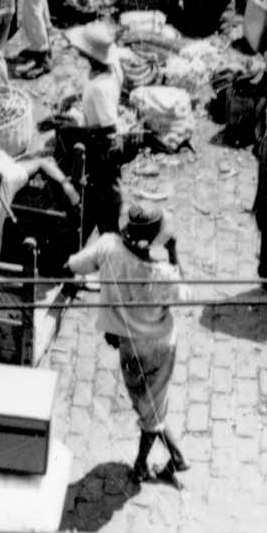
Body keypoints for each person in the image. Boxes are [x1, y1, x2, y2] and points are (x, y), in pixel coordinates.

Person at [66, 202, 190, 483]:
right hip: (160, 346)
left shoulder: (108, 246)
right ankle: (165, 460)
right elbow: (184, 294)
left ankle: (149, 462)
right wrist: (173, 253)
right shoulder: (161, 274)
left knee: (147, 407)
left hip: (130, 347)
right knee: (151, 408)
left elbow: (74, 264)